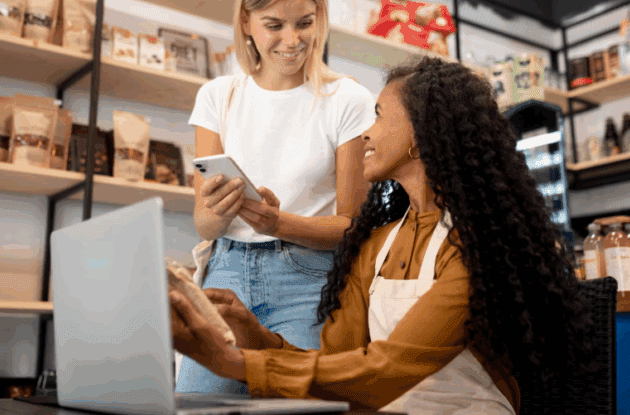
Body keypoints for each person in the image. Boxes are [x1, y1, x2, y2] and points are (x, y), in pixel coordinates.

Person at [170, 57, 593, 414]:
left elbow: (388, 369)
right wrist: (253, 334)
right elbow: (339, 366)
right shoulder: (376, 244)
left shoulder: (474, 247)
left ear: (421, 133)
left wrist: (235, 363)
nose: (365, 133)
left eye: (378, 115)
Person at [177, 0, 375, 394]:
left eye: (304, 23)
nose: (292, 40)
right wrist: (220, 211)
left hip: (309, 280)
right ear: (246, 22)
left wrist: (278, 223)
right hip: (226, 272)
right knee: (196, 404)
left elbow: (352, 227)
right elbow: (204, 225)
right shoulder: (218, 97)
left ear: (320, 18)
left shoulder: (348, 100)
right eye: (274, 25)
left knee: (296, 404)